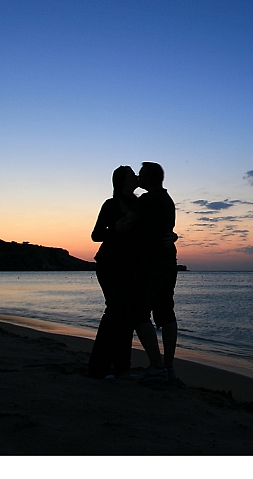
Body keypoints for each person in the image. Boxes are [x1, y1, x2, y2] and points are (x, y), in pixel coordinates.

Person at [129, 161, 180, 383]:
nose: (138, 179)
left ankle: (156, 366)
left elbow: (128, 222)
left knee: (138, 312)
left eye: (141, 175)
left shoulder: (147, 199)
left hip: (152, 263)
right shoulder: (167, 200)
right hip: (168, 262)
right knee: (166, 313)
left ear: (149, 178)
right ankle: (167, 367)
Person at [87, 165, 139, 379]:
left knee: (127, 314)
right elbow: (96, 235)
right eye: (131, 174)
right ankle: (98, 366)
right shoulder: (110, 205)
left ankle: (121, 365)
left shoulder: (140, 204)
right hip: (109, 264)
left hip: (130, 266)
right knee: (115, 311)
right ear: (122, 180)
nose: (135, 176)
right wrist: (114, 229)